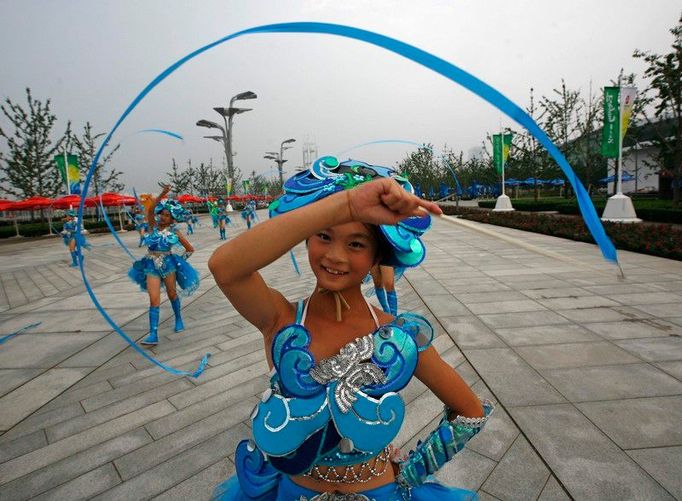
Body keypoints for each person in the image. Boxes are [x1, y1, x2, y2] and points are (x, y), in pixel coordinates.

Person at [209, 157, 493, 501]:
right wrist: (344, 203)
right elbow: (224, 267)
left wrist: (413, 472)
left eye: (356, 244)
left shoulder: (398, 338)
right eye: (323, 237)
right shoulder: (279, 319)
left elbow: (470, 412)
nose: (335, 256)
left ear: (377, 256)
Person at [128, 185, 200, 346]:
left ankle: (178, 318)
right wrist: (163, 194)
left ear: (172, 218)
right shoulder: (152, 226)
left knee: (172, 294)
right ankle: (153, 333)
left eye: (167, 215)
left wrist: (179, 261)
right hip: (151, 266)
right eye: (162, 214)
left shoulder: (175, 233)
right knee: (154, 300)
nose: (163, 217)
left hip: (168, 266)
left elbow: (190, 249)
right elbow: (151, 209)